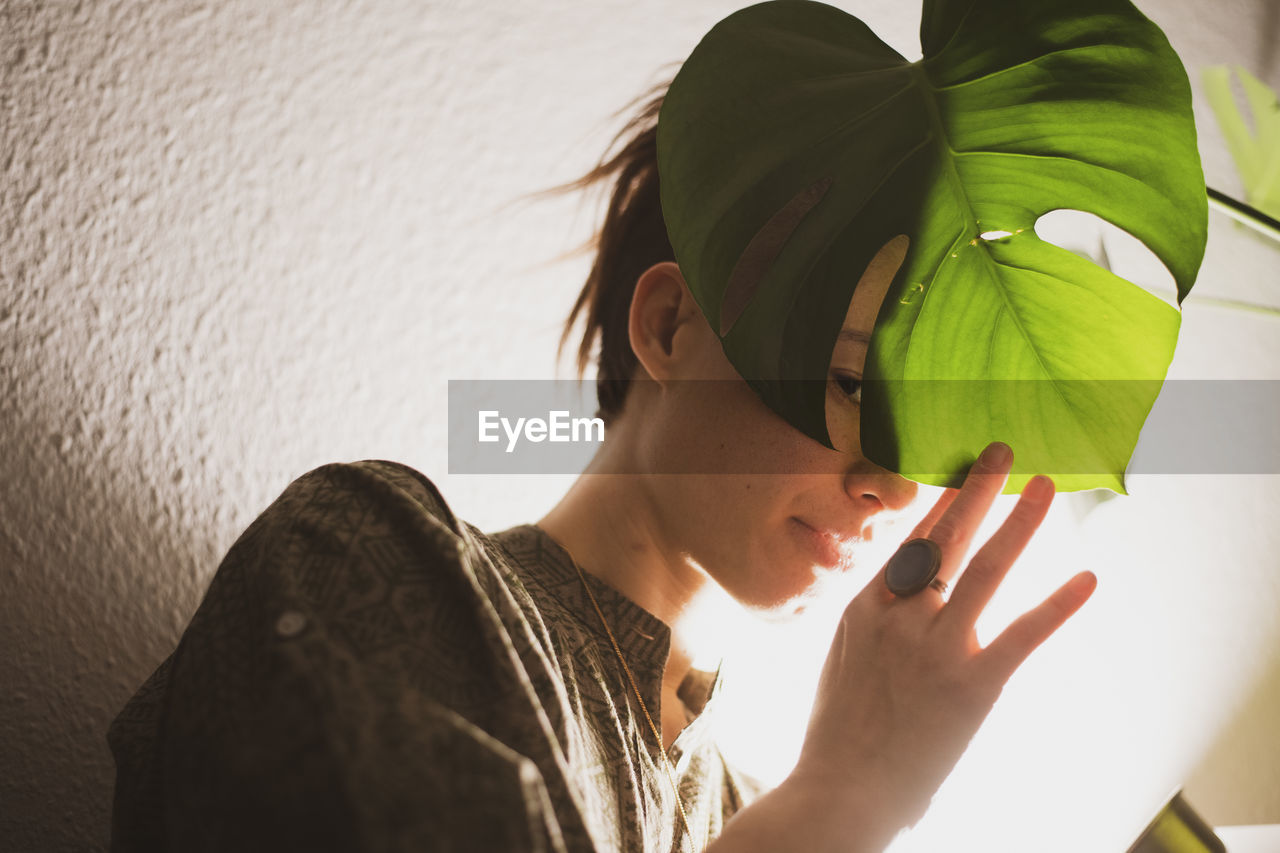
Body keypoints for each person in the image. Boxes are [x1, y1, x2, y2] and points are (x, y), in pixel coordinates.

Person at [107, 78, 1097, 853]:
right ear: (668, 325)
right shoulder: (362, 552)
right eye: (846, 385)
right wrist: (850, 791)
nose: (890, 487)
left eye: (929, 442)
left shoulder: (748, 807)